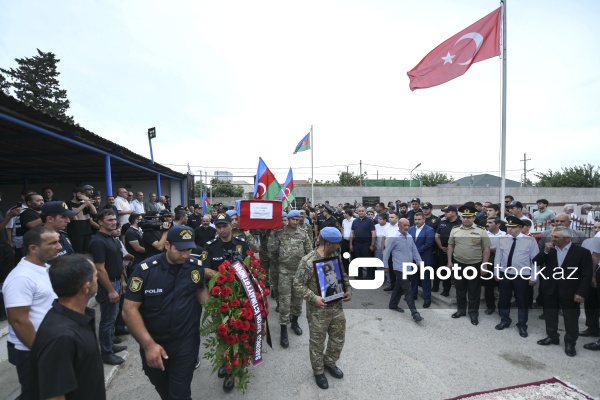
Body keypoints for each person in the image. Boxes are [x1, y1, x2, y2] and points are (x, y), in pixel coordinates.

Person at [123, 225, 207, 400]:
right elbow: (129, 310)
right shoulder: (145, 270)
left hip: (185, 341)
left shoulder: (195, 266)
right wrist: (149, 345)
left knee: (180, 393)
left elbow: (200, 291)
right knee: (163, 389)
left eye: (189, 249)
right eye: (180, 250)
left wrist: (220, 309)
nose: (185, 255)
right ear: (167, 245)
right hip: (154, 341)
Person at [30, 254, 105, 400]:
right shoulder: (61, 337)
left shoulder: (76, 319)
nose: (98, 279)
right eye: (95, 276)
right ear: (86, 286)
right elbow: (54, 395)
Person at [3, 226, 61, 400]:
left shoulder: (43, 268)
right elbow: (19, 321)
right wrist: (41, 352)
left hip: (47, 345)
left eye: (58, 241)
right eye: (53, 243)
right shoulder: (21, 277)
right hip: (31, 350)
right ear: (33, 248)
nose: (59, 246)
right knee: (34, 394)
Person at [293, 227, 351, 390]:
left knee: (338, 338)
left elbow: (342, 274)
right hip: (318, 310)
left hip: (337, 306)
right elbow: (297, 284)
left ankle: (330, 363)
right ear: (326, 243)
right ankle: (318, 371)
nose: (339, 246)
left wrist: (348, 289)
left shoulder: (334, 255)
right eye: (336, 244)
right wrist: (313, 298)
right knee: (317, 342)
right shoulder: (308, 261)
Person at [201, 212, 249, 392]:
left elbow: (249, 267)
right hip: (219, 299)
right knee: (222, 333)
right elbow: (205, 270)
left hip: (240, 298)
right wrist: (224, 276)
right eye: (218, 226)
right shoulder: (210, 246)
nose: (222, 230)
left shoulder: (242, 245)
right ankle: (225, 364)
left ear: (231, 226)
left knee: (238, 331)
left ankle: (235, 367)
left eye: (224, 226)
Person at [533, 226, 593, 356]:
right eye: (552, 236)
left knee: (570, 318)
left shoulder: (582, 252)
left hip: (571, 291)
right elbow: (536, 261)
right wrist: (545, 251)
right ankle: (552, 336)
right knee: (550, 315)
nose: (552, 239)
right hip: (550, 289)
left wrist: (581, 293)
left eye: (556, 237)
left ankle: (570, 343)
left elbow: (586, 275)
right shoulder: (550, 250)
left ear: (567, 239)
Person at [88, 210, 128, 365]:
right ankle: (106, 353)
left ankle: (110, 344)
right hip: (107, 285)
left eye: (114, 219)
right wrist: (111, 289)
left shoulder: (112, 238)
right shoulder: (98, 241)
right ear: (100, 222)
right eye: (109, 220)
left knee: (113, 317)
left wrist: (123, 280)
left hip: (117, 281)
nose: (113, 222)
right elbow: (100, 268)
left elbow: (118, 261)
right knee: (107, 320)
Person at [267, 209, 311, 348]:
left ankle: (295, 322)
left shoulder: (303, 234)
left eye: (297, 219)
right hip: (284, 272)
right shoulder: (280, 234)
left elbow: (309, 252)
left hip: (299, 272)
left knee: (298, 300)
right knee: (285, 301)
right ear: (289, 220)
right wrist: (272, 235)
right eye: (293, 219)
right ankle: (283, 329)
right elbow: (271, 250)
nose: (295, 221)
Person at [493, 216, 539, 338]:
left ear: (520, 228)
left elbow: (535, 260)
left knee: (522, 300)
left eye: (513, 227)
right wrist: (496, 272)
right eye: (508, 226)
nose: (510, 229)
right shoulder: (503, 239)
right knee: (504, 299)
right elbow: (498, 257)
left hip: (522, 275)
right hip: (505, 274)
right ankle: (505, 320)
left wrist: (534, 277)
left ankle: (522, 325)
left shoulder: (530, 240)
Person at [448, 204, 491, 326]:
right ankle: (461, 311)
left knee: (473, 291)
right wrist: (449, 261)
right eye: (464, 217)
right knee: (460, 289)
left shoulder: (481, 230)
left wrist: (484, 265)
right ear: (461, 218)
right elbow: (451, 246)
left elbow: (486, 249)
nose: (466, 219)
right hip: (458, 264)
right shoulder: (455, 229)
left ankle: (473, 313)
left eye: (469, 217)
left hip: (474, 265)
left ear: (473, 218)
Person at [383, 218, 424, 322]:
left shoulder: (409, 237)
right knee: (407, 289)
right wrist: (385, 266)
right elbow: (386, 252)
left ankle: (393, 304)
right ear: (399, 226)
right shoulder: (394, 237)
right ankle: (415, 313)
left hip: (409, 267)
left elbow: (414, 251)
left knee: (399, 287)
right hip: (399, 268)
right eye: (404, 225)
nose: (406, 227)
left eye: (408, 225)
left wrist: (420, 263)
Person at [408, 212, 435, 308]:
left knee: (425, 280)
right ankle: (413, 295)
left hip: (424, 258)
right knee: (413, 278)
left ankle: (427, 299)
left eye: (419, 219)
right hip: (412, 259)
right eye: (415, 219)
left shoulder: (430, 230)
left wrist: (414, 251)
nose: (417, 221)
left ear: (424, 219)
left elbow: (428, 244)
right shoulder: (410, 229)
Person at [435, 205, 462, 296]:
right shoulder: (442, 222)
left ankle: (460, 292)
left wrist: (453, 249)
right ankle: (446, 290)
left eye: (447, 212)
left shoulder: (461, 223)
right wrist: (441, 247)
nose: (444, 213)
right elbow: (437, 236)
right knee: (445, 271)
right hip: (443, 251)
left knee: (458, 273)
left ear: (454, 213)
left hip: (457, 252)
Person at [349, 206, 375, 280]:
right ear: (357, 212)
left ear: (365, 212)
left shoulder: (369, 221)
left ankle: (369, 277)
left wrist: (372, 244)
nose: (361, 212)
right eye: (359, 211)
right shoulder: (355, 221)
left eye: (362, 211)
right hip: (357, 243)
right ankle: (359, 276)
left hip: (366, 244)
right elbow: (352, 233)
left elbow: (373, 233)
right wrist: (351, 244)